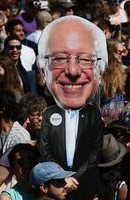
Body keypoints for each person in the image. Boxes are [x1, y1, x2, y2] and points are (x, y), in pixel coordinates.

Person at [37, 15, 107, 200]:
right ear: (42, 69)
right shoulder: (49, 114)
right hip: (56, 190)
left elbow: (94, 153)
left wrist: (74, 178)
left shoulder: (93, 114)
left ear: (101, 69)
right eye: (59, 59)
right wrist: (61, 178)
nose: (73, 71)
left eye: (85, 59)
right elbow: (45, 149)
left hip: (87, 188)